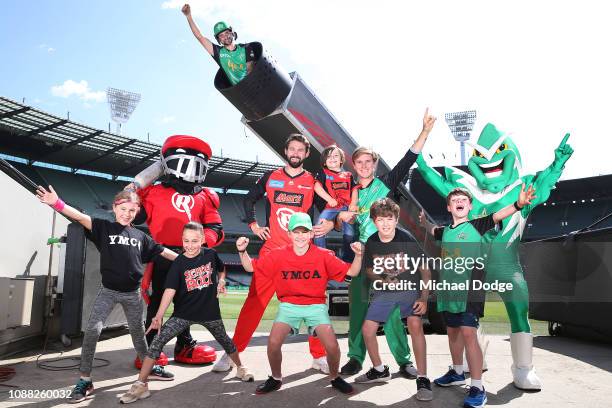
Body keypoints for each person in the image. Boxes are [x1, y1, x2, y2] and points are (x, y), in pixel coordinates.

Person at [312, 108, 435, 377]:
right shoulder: (349, 192)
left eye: (369, 162)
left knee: (391, 311)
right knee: (357, 309)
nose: (365, 166)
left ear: (375, 165)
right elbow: (342, 219)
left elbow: (407, 160)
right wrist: (335, 221)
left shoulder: (385, 183)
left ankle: (403, 360)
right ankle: (356, 357)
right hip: (361, 255)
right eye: (360, 162)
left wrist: (424, 131)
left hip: (388, 257)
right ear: (353, 166)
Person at [36, 187, 176, 404]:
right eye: (123, 208)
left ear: (137, 212)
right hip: (108, 292)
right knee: (92, 330)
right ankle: (85, 380)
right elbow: (80, 217)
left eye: (132, 210)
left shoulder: (141, 236)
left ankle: (150, 369)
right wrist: (57, 203)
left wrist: (189, 262)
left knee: (139, 334)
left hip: (132, 295)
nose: (127, 213)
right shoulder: (104, 228)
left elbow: (164, 252)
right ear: (114, 208)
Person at [213, 134, 329, 374]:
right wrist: (254, 225)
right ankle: (232, 353)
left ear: (306, 154)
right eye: (292, 149)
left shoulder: (312, 180)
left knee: (314, 306)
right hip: (271, 253)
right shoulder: (271, 176)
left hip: (302, 254)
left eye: (300, 150)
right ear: (286, 151)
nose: (296, 153)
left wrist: (328, 224)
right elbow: (249, 199)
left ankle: (318, 356)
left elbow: (329, 207)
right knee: (253, 305)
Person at [420, 184, 536, 408]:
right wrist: (423, 221)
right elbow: (432, 230)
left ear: (470, 206)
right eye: (455, 200)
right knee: (452, 332)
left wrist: (519, 204)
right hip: (448, 291)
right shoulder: (445, 231)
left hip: (469, 290)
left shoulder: (477, 225)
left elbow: (499, 214)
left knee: (469, 334)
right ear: (449, 207)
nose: (459, 202)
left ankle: (477, 386)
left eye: (463, 199)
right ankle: (456, 372)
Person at [119, 222, 253, 404]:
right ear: (182, 240)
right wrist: (158, 315)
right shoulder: (179, 262)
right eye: (186, 241)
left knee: (226, 342)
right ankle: (141, 385)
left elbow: (222, 270)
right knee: (157, 342)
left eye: (195, 241)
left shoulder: (211, 255)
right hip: (183, 314)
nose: (190, 245)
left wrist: (221, 281)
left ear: (203, 240)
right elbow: (169, 291)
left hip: (210, 313)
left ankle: (240, 368)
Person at [236, 212, 363, 395]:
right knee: (273, 342)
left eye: (305, 232)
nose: (301, 236)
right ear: (289, 234)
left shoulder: (324, 255)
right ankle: (276, 378)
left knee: (332, 346)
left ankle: (335, 377)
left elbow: (351, 271)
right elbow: (250, 267)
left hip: (316, 306)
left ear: (311, 234)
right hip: (289, 305)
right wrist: (242, 251)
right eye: (296, 232)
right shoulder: (277, 255)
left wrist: (358, 255)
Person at [132, 135, 225, 367]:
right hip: (162, 253)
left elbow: (216, 228)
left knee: (188, 304)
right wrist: (136, 186)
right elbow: (131, 214)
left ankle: (185, 345)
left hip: (192, 255)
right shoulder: (152, 192)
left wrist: (201, 244)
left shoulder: (205, 196)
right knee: (156, 303)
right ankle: (150, 346)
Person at [357, 198, 433, 401]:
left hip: (409, 288)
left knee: (415, 323)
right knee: (367, 329)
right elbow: (369, 270)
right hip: (386, 291)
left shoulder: (405, 238)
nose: (385, 223)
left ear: (396, 219)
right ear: (374, 221)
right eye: (380, 219)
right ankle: (380, 370)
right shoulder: (372, 241)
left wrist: (424, 298)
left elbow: (425, 270)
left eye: (389, 218)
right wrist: (383, 278)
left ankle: (423, 378)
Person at [181, 3, 257, 86]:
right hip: (240, 94)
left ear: (232, 32)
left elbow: (250, 69)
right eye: (221, 35)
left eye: (227, 33)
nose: (225, 37)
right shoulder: (218, 52)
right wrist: (188, 16)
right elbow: (200, 37)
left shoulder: (246, 48)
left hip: (255, 85)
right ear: (219, 39)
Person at [313, 145, 359, 260]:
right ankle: (322, 256)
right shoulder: (323, 173)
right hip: (330, 208)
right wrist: (329, 199)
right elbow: (317, 187)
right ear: (324, 162)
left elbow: (354, 189)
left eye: (335, 156)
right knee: (319, 229)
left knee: (350, 234)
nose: (332, 158)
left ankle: (347, 259)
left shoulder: (348, 175)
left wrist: (353, 204)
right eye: (329, 157)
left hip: (346, 208)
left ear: (341, 160)